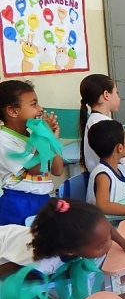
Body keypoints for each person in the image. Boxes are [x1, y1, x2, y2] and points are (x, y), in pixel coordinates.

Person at [0, 80, 64, 226]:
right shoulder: (4, 140)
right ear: (13, 111)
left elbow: (58, 170)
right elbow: (35, 169)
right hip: (18, 204)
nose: (40, 109)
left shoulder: (32, 136)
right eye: (33, 104)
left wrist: (53, 139)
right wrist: (44, 137)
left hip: (42, 199)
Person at [79, 73, 125, 172]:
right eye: (116, 93)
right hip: (109, 177)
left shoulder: (93, 120)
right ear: (106, 95)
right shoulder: (106, 126)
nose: (119, 98)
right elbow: (119, 154)